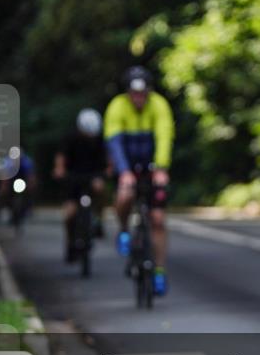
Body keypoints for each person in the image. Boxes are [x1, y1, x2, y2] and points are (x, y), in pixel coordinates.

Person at [103, 66, 174, 295]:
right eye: (134, 94)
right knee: (124, 195)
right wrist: (124, 171)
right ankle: (123, 229)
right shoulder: (117, 106)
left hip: (152, 167)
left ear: (149, 92)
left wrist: (161, 168)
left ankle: (160, 273)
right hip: (127, 165)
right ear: (127, 93)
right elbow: (114, 142)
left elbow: (164, 136)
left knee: (158, 219)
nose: (139, 99)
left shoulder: (159, 105)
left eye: (143, 94)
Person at [53, 108, 109, 262]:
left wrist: (106, 173)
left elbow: (108, 161)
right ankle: (70, 242)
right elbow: (61, 158)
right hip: (73, 179)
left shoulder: (100, 140)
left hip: (93, 176)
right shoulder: (70, 138)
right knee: (69, 215)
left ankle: (98, 220)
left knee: (101, 190)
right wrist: (60, 170)